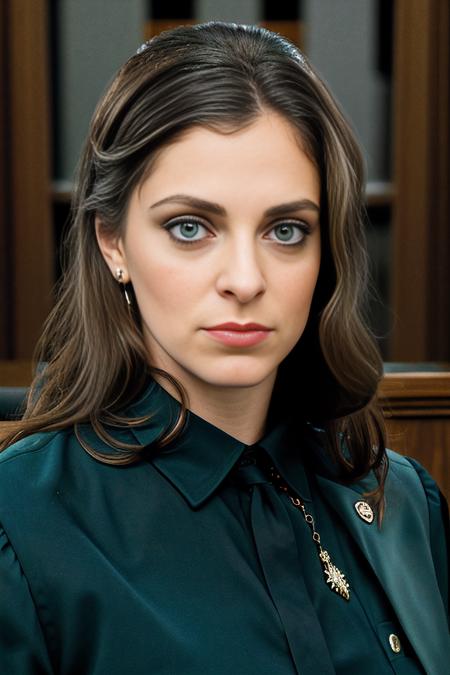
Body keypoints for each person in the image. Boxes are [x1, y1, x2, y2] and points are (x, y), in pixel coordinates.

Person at [0, 21, 448, 675]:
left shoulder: (403, 502)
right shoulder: (21, 526)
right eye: (190, 227)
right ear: (112, 242)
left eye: (287, 229)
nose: (245, 279)